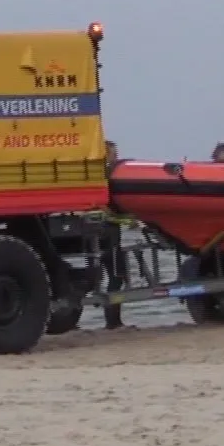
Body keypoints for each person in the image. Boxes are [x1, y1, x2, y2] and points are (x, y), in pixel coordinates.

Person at [101, 140, 134, 329]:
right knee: (116, 277)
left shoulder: (104, 175)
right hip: (108, 235)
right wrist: (125, 220)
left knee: (116, 277)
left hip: (110, 234)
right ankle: (113, 323)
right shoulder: (104, 176)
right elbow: (103, 209)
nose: (116, 156)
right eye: (114, 153)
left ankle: (114, 321)